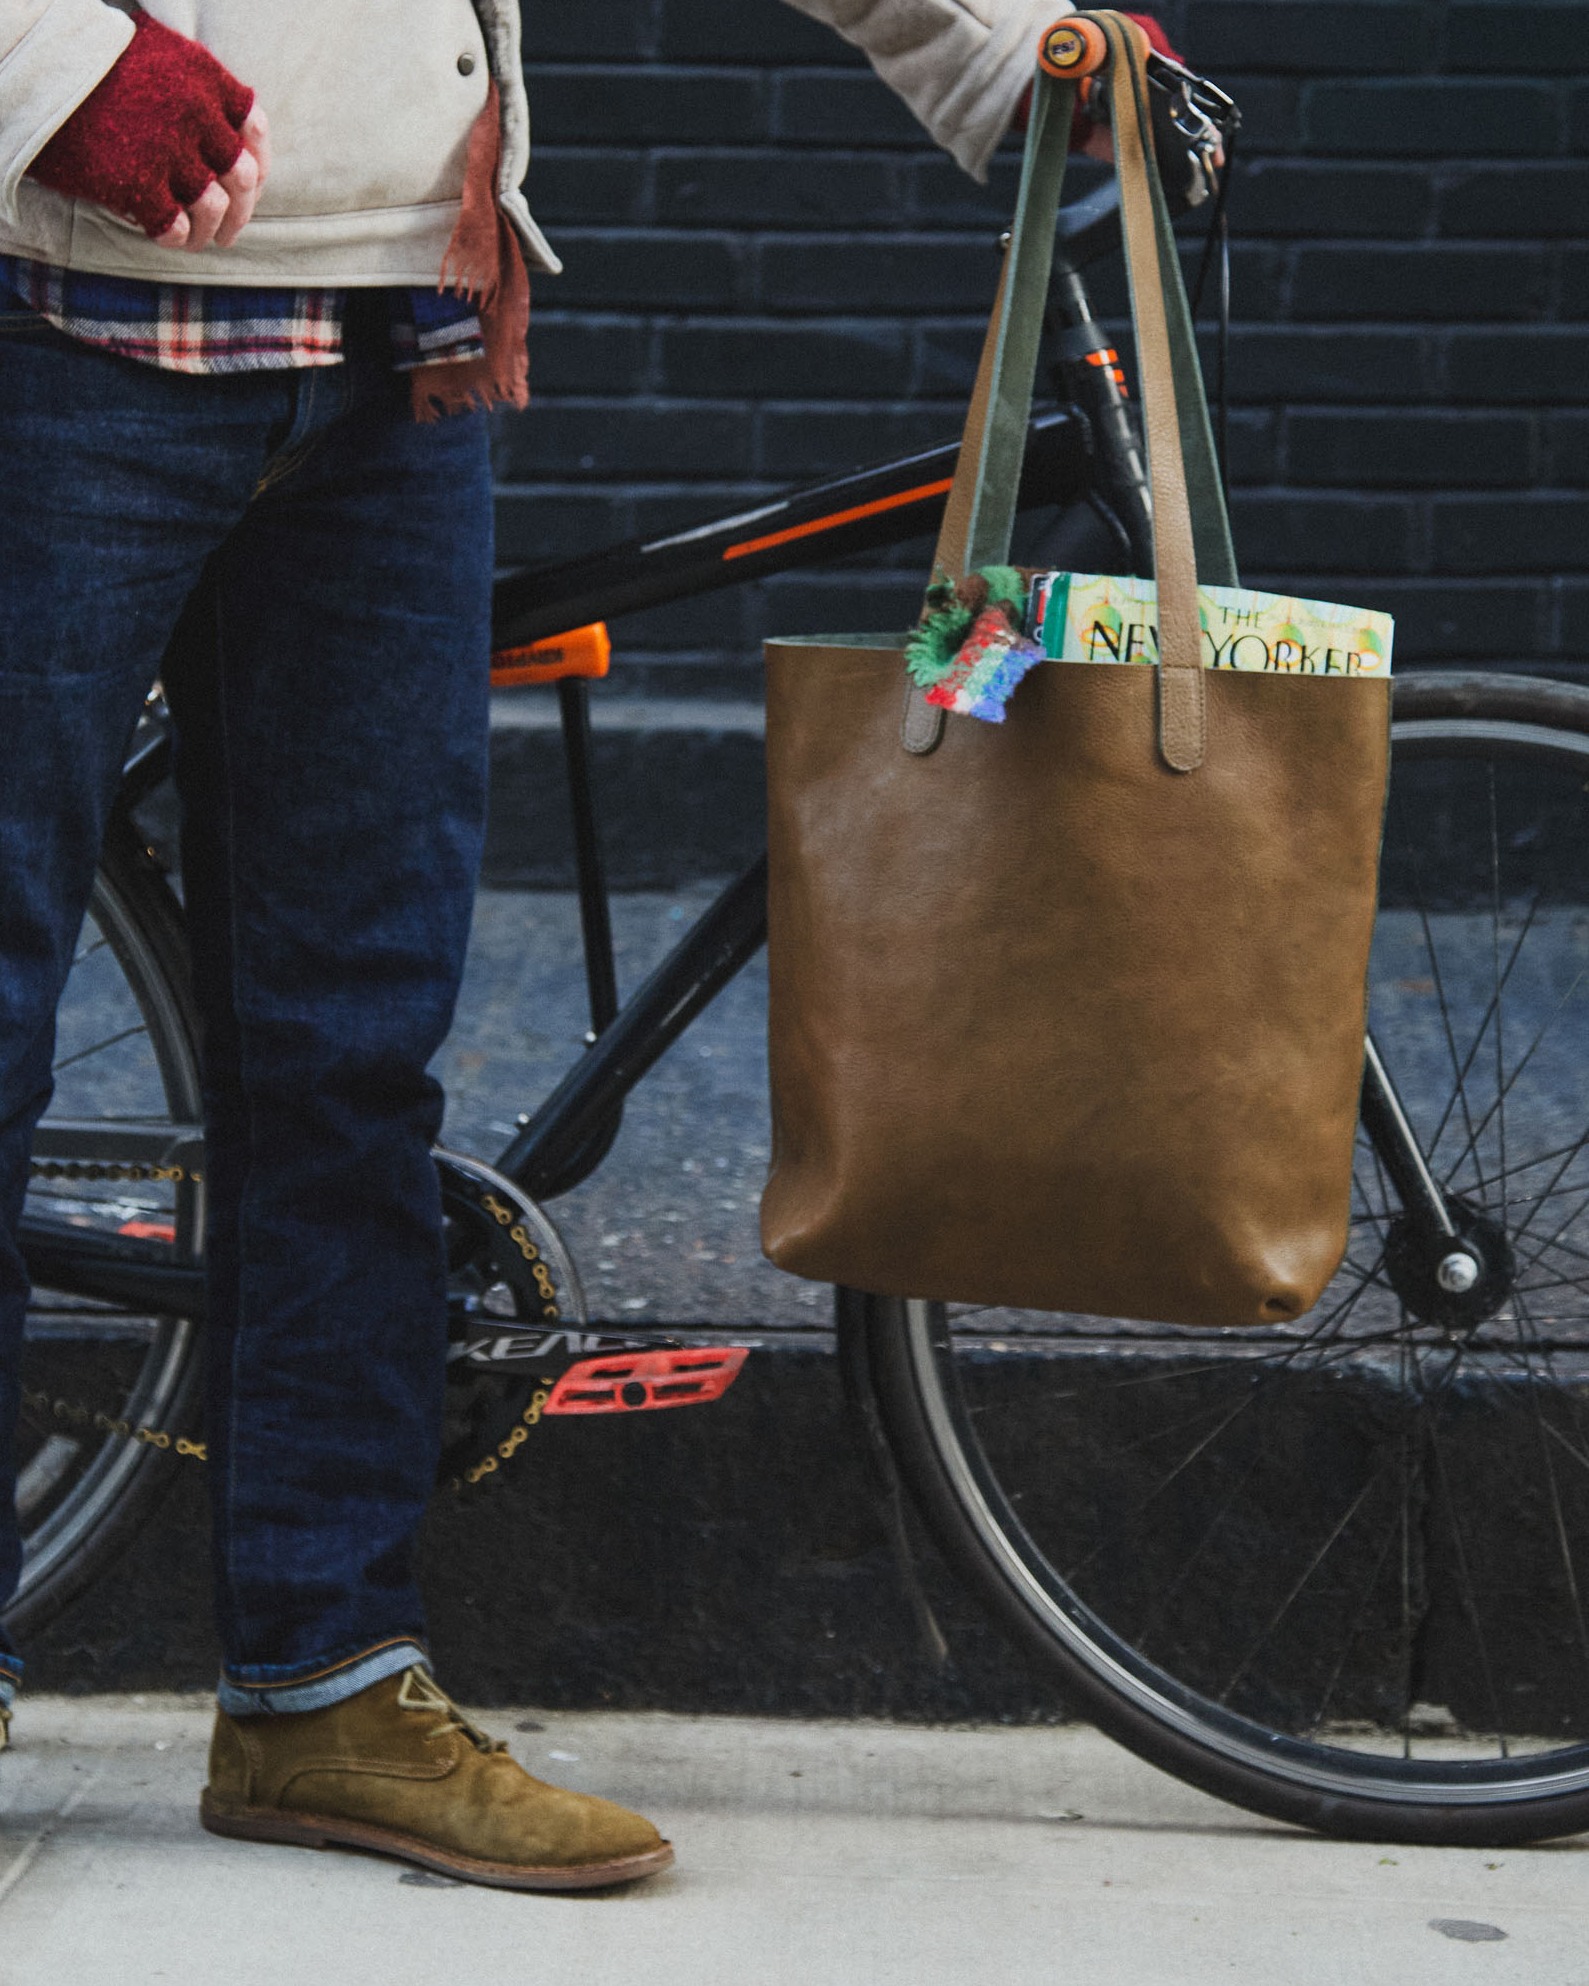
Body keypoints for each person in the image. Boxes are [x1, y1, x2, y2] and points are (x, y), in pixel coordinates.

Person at [0, 0, 1141, 1893]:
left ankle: (324, 1687)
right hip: (64, 334)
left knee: (349, 1046)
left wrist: (1019, 58)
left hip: (402, 346)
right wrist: (45, 68)